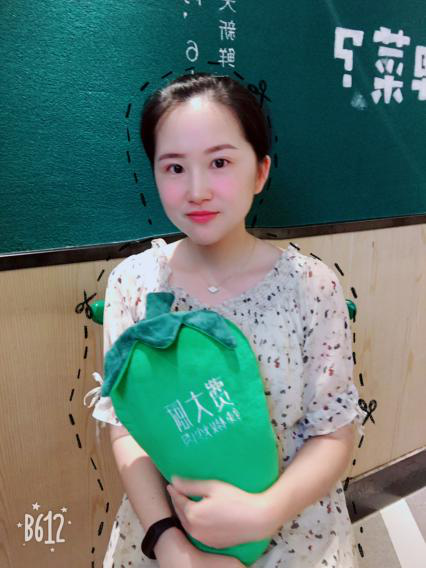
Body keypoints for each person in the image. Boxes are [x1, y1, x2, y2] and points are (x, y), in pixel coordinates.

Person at [84, 72, 366, 567]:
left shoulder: (312, 285)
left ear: (259, 172)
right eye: (174, 167)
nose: (196, 191)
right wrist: (172, 547)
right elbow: (125, 427)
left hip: (297, 537)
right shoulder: (133, 282)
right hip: (166, 538)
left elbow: (334, 430)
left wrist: (264, 513)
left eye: (219, 162)